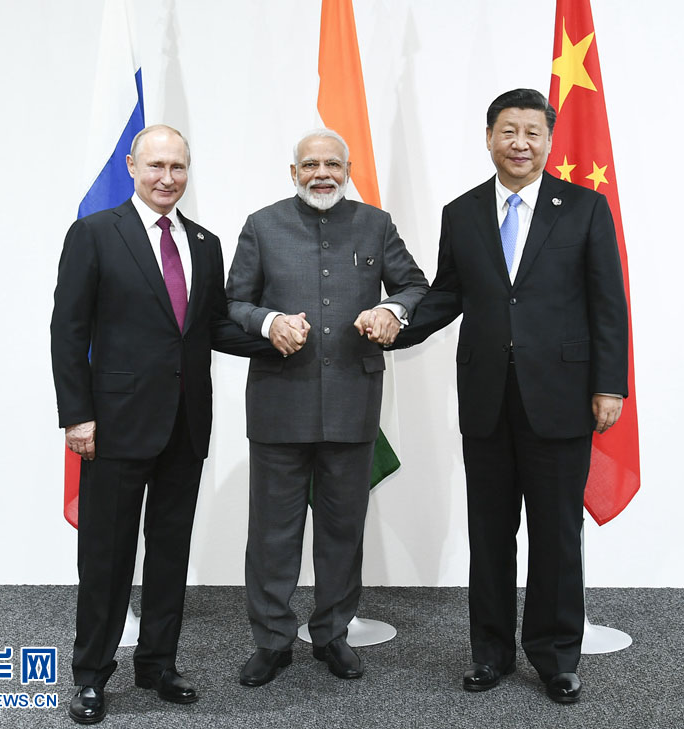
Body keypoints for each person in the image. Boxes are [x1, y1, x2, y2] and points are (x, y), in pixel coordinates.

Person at [393, 89, 629, 704]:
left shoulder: (583, 207)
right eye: (508, 131)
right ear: (489, 137)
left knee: (556, 534)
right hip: (488, 399)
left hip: (562, 396)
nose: (520, 143)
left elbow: (608, 303)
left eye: (532, 132)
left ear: (548, 141)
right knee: (490, 533)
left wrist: (609, 385)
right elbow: (446, 295)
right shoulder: (462, 212)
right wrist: (394, 325)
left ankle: (555, 658)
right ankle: (490, 654)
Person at [51, 125, 288, 724]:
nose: (167, 178)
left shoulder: (204, 244)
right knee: (106, 557)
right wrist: (77, 416)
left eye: (178, 167)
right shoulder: (95, 234)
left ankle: (157, 664)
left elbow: (210, 329)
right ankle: (91, 675)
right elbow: (68, 332)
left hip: (184, 426)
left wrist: (271, 332)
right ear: (132, 165)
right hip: (113, 427)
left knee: (168, 553)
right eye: (156, 165)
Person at [225, 129, 428, 686]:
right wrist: (267, 323)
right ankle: (272, 640)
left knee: (343, 530)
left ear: (347, 168)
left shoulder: (375, 224)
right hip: (278, 403)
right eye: (310, 164)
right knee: (273, 534)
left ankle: (332, 635)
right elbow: (232, 302)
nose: (322, 173)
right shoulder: (262, 225)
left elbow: (416, 285)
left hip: (352, 404)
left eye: (332, 164)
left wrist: (392, 308)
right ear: (293, 173)